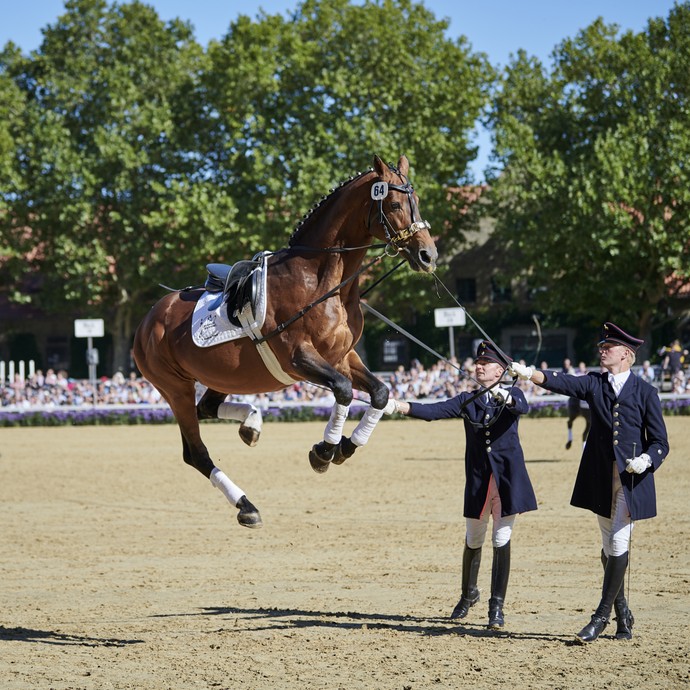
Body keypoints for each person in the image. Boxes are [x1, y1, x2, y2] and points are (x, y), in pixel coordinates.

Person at [509, 322, 669, 643]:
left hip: (631, 479)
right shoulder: (595, 383)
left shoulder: (645, 392)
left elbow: (660, 442)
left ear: (626, 354)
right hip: (599, 475)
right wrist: (529, 373)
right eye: (602, 346)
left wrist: (647, 460)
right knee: (609, 547)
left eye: (607, 347)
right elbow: (563, 382)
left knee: (620, 544)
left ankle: (600, 618)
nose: (601, 350)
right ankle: (623, 613)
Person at [385, 341, 537, 630]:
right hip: (480, 481)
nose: (479, 366)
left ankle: (496, 606)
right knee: (474, 540)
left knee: (501, 540)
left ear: (500, 370)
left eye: (486, 363)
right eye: (477, 362)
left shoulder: (512, 394)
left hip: (507, 481)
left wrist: (504, 393)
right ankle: (468, 595)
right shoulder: (468, 399)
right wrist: (397, 406)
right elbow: (434, 411)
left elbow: (523, 406)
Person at [565, 361, 591, 450]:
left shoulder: (587, 375)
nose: (581, 368)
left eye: (582, 366)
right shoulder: (578, 375)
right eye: (579, 366)